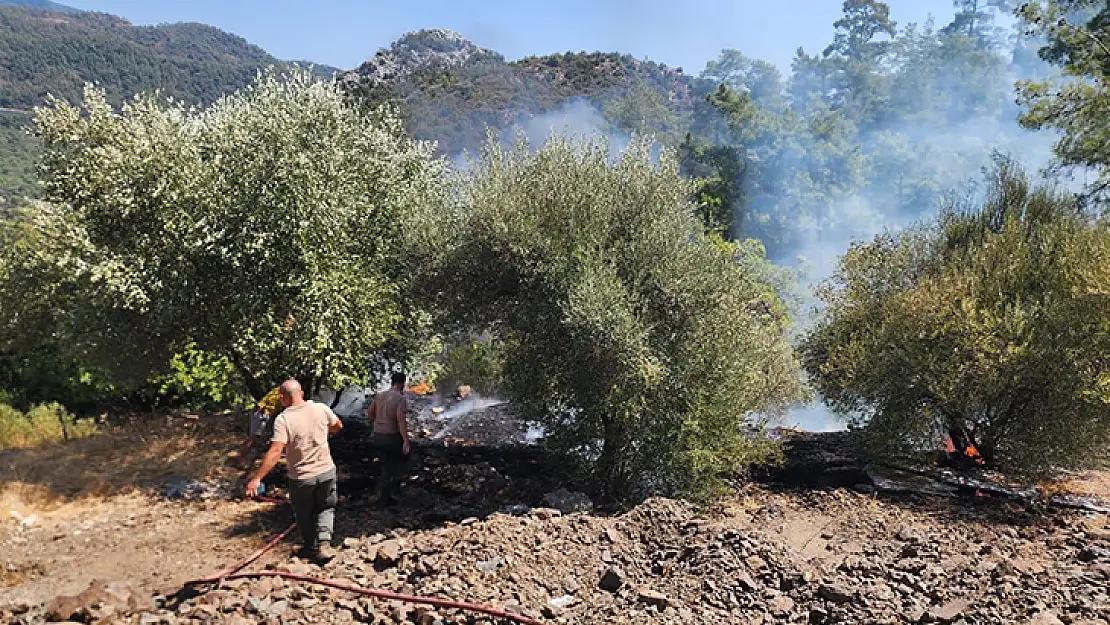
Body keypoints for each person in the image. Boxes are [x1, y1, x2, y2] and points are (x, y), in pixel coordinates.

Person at [246, 379, 343, 562]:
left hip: (301, 477)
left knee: (303, 513)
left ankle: (310, 547)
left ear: (282, 399)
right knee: (326, 507)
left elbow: (276, 451)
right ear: (302, 393)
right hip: (326, 470)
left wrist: (257, 478)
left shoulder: (284, 419)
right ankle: (324, 544)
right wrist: (324, 434)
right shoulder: (321, 409)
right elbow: (338, 426)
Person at [366, 372, 411, 507]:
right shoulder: (400, 398)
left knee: (385, 464)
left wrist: (377, 422)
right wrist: (405, 441)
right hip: (391, 437)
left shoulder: (380, 396)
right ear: (403, 383)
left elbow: (370, 412)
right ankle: (386, 497)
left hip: (378, 435)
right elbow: (400, 420)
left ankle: (385, 494)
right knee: (392, 466)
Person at [237, 386, 283, 469]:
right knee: (253, 438)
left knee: (266, 438)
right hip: (262, 414)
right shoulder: (280, 393)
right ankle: (241, 460)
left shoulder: (279, 390)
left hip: (268, 415)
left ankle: (256, 459)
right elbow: (262, 405)